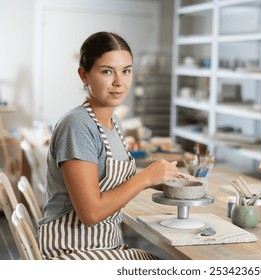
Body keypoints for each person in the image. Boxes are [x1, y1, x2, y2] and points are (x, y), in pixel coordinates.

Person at [38, 31, 184, 260]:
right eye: (107, 71)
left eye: (126, 70)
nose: (119, 82)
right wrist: (144, 178)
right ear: (83, 75)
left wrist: (157, 180)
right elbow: (91, 213)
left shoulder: (114, 122)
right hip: (70, 249)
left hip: (104, 244)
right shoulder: (77, 124)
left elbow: (107, 182)